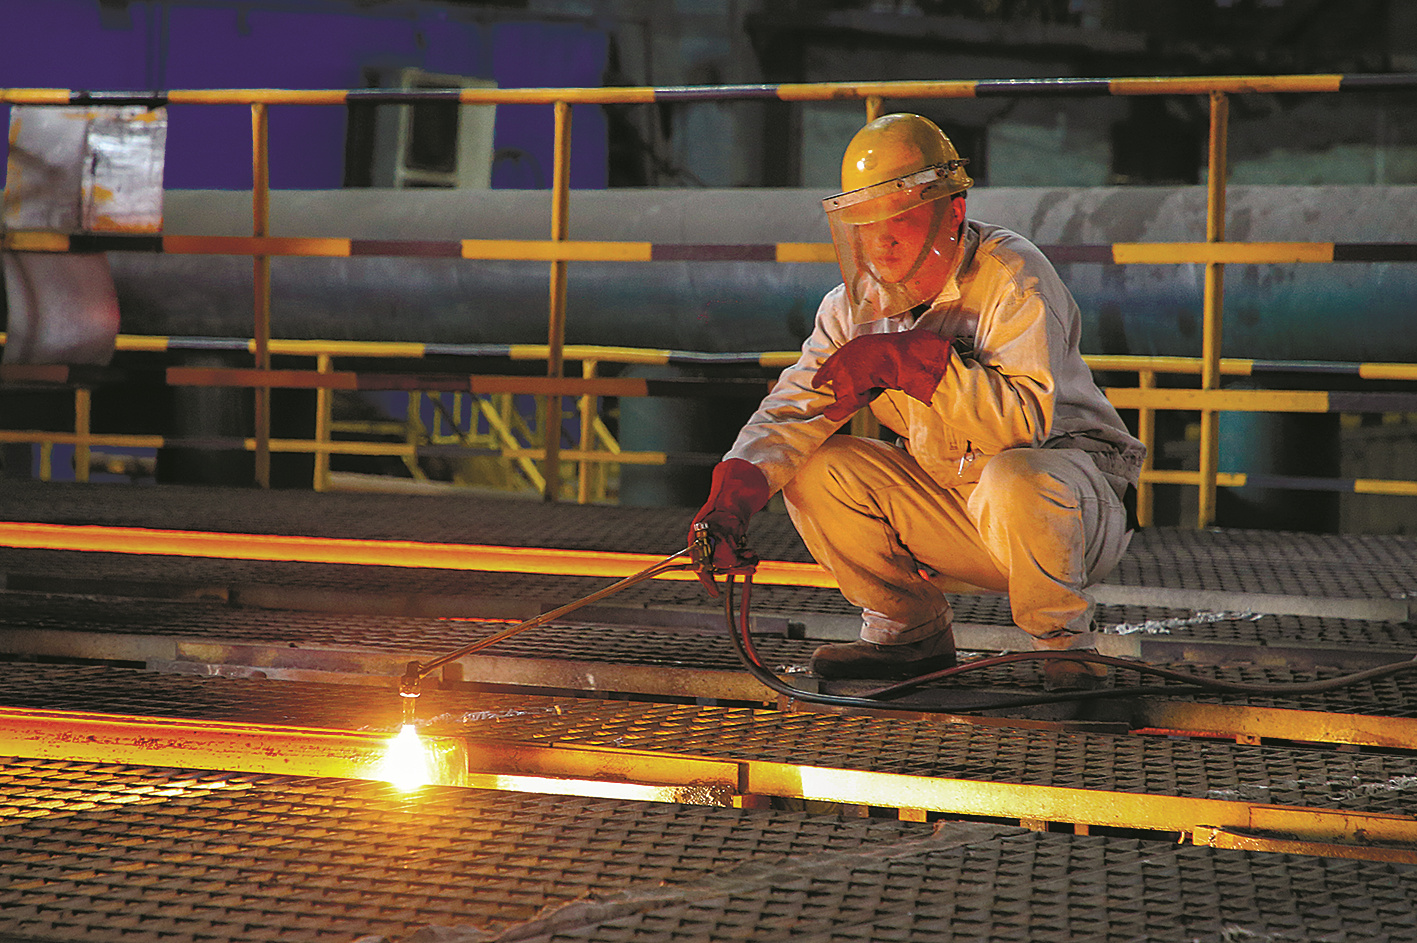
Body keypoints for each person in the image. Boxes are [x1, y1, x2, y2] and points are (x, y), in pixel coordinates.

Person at [690, 112, 1144, 685]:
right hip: (955, 506)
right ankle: (909, 633)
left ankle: (1065, 648)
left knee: (1017, 476)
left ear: (953, 211)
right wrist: (735, 493)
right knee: (813, 468)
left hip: (1073, 514)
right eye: (863, 222)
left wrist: (909, 361)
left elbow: (1019, 427)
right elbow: (792, 412)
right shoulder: (852, 309)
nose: (879, 241)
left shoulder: (1012, 278)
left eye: (899, 219)